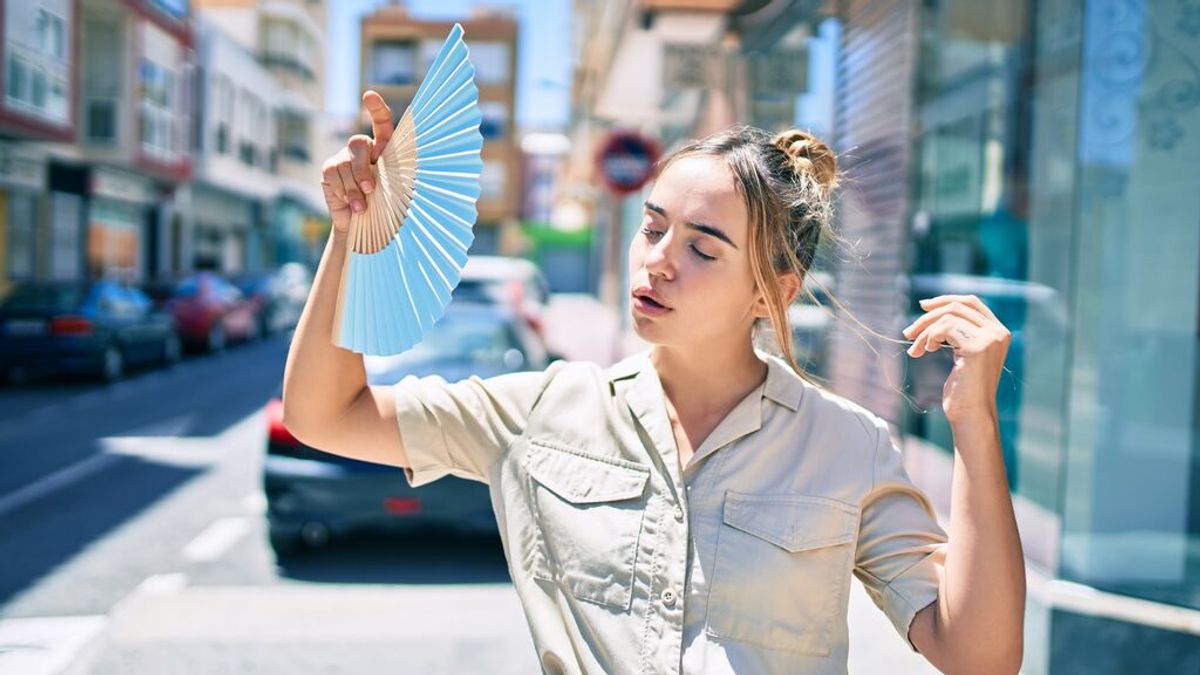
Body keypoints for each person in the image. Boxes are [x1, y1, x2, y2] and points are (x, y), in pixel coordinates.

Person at [283, 90, 1026, 675]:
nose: (659, 260)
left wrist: (975, 428)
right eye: (653, 227)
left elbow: (979, 656)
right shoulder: (543, 408)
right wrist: (355, 236)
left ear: (774, 290)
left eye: (703, 248)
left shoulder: (847, 446)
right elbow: (325, 414)